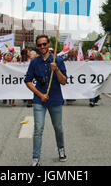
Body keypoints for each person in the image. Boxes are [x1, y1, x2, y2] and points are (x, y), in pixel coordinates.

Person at [25, 35, 68, 166]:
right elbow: (27, 81)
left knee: (58, 128)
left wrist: (56, 70)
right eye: (39, 45)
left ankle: (61, 149)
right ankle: (35, 158)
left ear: (49, 44)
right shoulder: (34, 62)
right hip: (39, 99)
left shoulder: (58, 61)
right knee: (38, 128)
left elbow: (64, 81)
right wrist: (40, 94)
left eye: (44, 44)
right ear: (37, 47)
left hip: (55, 99)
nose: (42, 47)